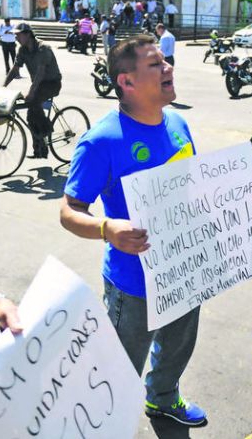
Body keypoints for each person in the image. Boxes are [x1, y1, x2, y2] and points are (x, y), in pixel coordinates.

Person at [59, 34, 208, 428]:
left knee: (177, 346)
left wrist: (247, 191)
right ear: (126, 81)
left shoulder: (179, 123)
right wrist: (107, 229)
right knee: (119, 367)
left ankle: (162, 398)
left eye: (166, 61)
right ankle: (103, 424)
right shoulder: (101, 141)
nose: (169, 68)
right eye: (156, 64)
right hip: (133, 283)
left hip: (186, 270)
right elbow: (69, 211)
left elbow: (196, 185)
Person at [3, 23, 62, 159]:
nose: (16, 37)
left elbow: (41, 73)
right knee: (31, 117)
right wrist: (3, 86)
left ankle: (47, 130)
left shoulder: (43, 48)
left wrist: (31, 92)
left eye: (18, 35)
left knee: (33, 102)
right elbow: (15, 69)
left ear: (28, 34)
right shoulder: (22, 50)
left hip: (52, 83)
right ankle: (39, 150)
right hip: (38, 84)